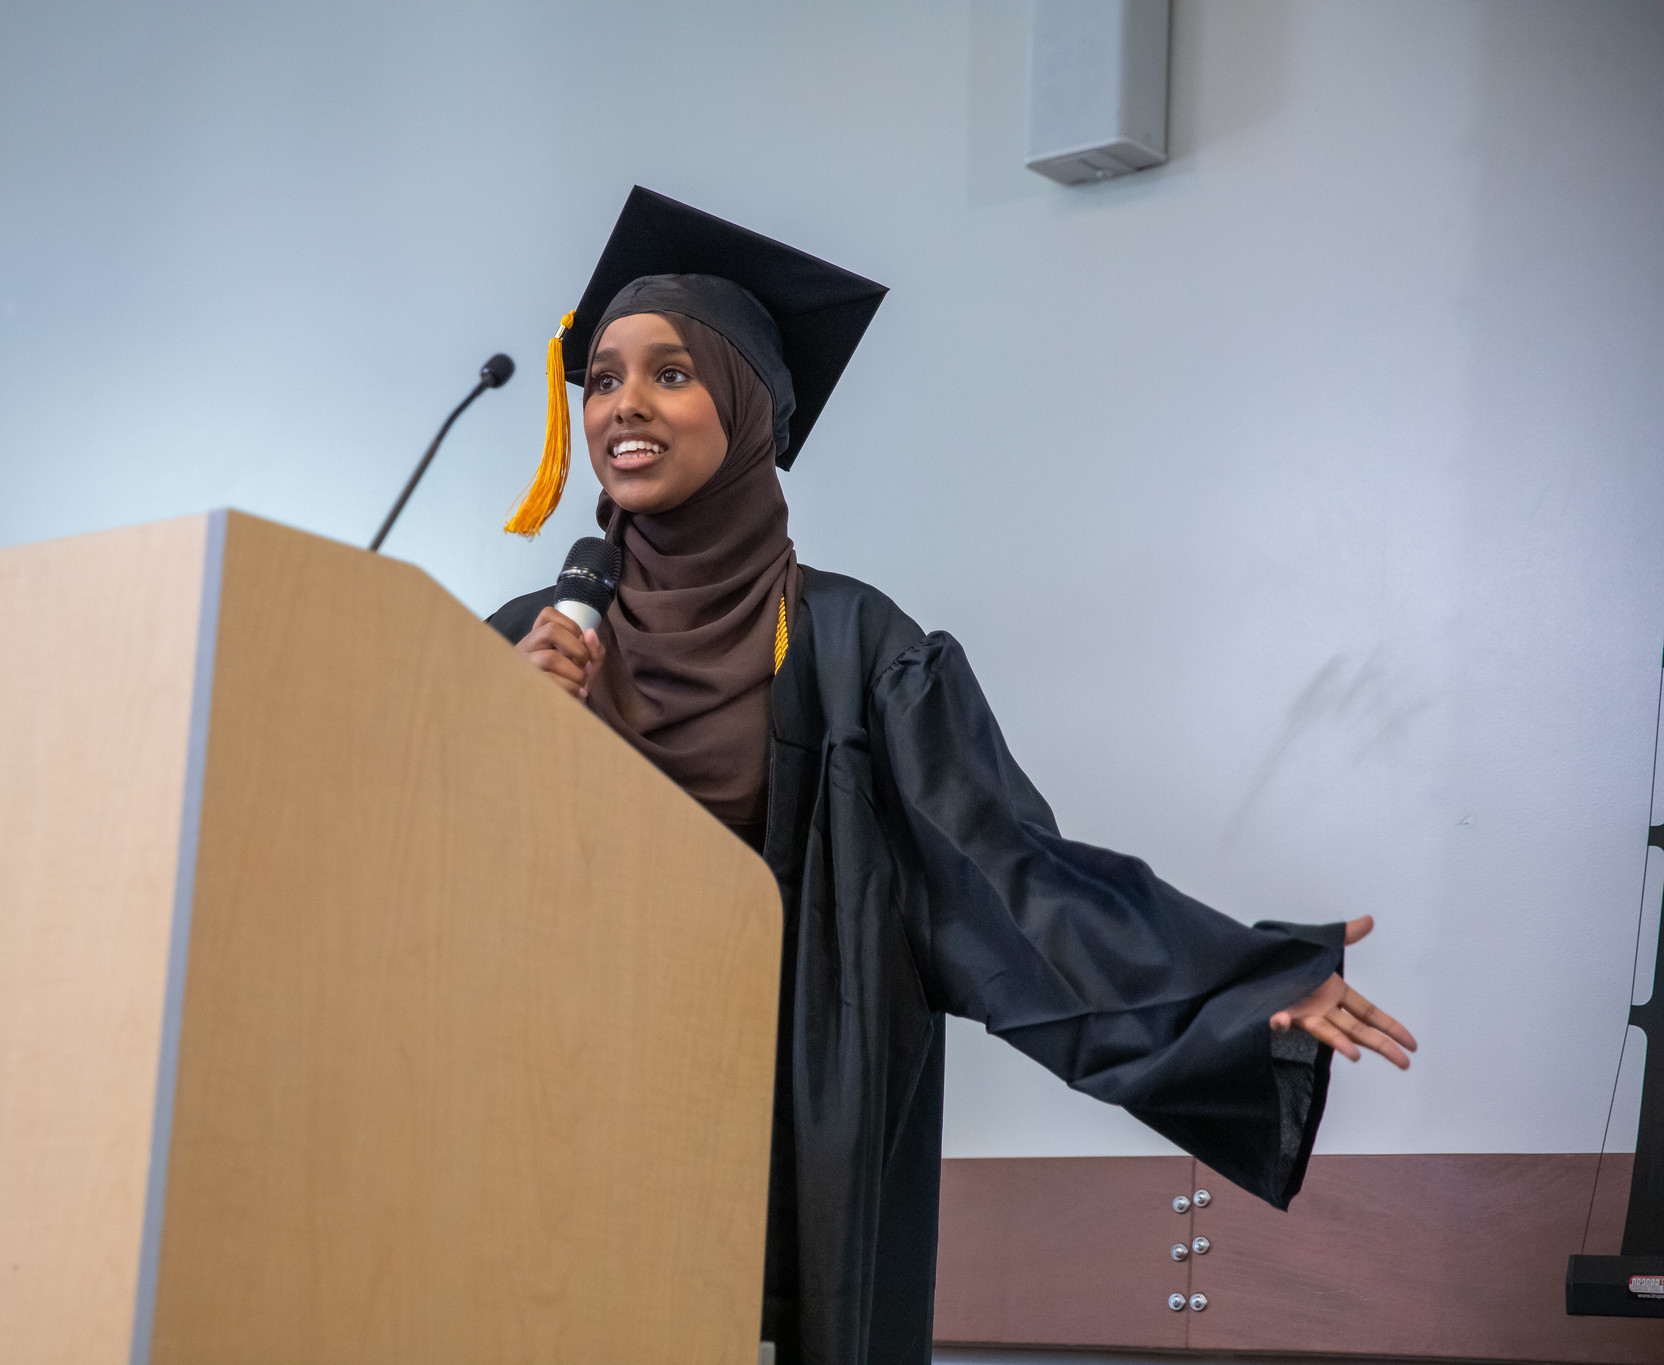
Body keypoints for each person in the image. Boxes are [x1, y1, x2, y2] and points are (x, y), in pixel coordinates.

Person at [486, 188, 1417, 1365]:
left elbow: (1006, 878)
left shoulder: (853, 649)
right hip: (546, 1122)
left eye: (670, 373)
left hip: (777, 1136)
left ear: (751, 410)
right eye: (605, 377)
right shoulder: (526, 645)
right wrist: (493, 743)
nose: (623, 404)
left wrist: (1232, 992)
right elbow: (402, 896)